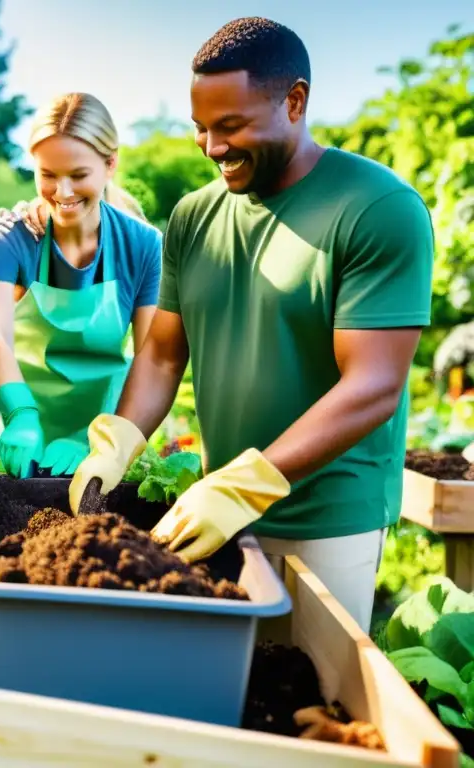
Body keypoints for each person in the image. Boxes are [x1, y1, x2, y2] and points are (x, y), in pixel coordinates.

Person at [66, 17, 434, 633]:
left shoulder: (377, 210)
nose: (212, 147)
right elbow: (161, 355)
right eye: (201, 129)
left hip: (328, 517)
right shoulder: (193, 217)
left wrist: (251, 482)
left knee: (318, 697)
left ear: (294, 102)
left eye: (231, 127)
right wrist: (121, 437)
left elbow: (373, 385)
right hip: (218, 510)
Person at [0, 92, 163, 479]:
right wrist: (21, 415)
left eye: (77, 175)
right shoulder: (9, 240)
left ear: (110, 165)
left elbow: (152, 360)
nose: (62, 191)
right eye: (48, 175)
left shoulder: (143, 245)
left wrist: (106, 440)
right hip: (15, 435)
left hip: (102, 434)